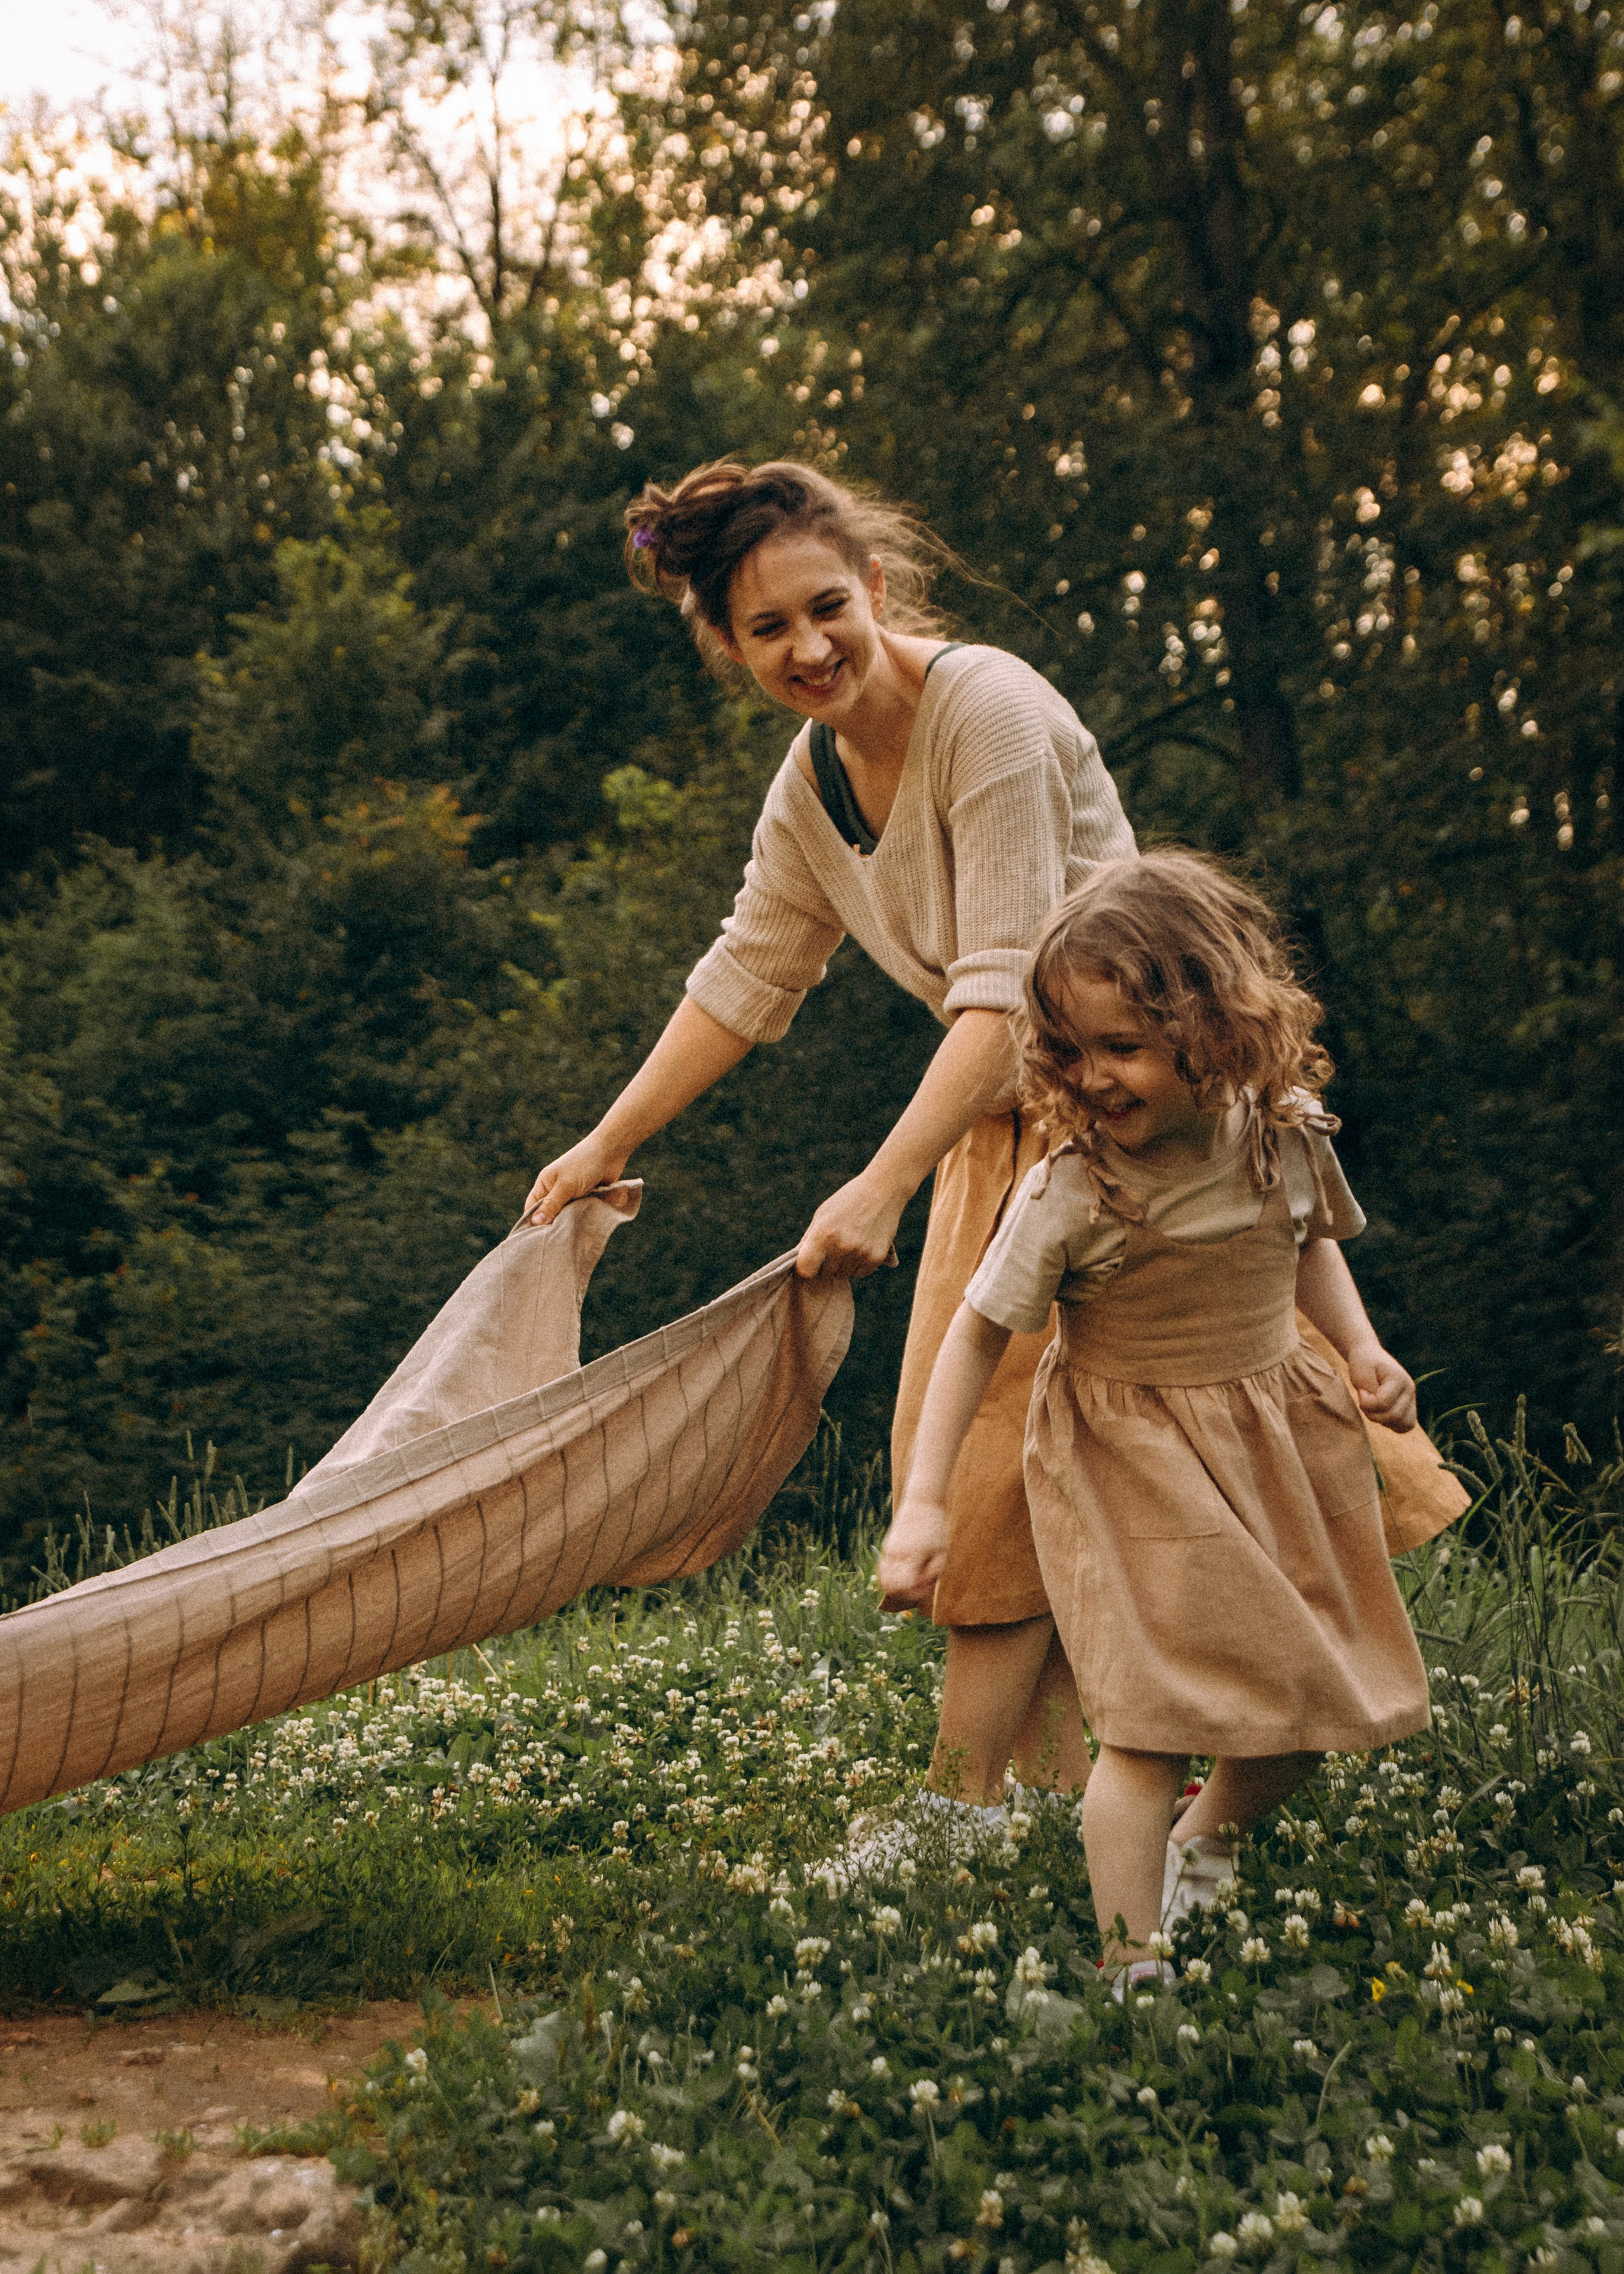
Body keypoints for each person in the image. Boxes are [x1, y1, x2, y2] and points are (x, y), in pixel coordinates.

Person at [524, 456, 1138, 1841]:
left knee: (1005, 1466)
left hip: (1129, 1131)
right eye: (764, 630)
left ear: (873, 584)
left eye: (825, 608)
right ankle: (1029, 1812)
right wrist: (603, 1139)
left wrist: (879, 1180)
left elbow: (1005, 991)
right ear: (723, 645)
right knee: (1013, 1469)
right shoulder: (809, 786)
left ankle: (962, 1808)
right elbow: (745, 976)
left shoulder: (982, 711)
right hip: (1008, 1129)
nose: (807, 648)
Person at [875, 851, 1432, 1990]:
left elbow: (1311, 1240)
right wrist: (926, 1503)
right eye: (1065, 1051)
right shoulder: (1074, 1190)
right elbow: (976, 1337)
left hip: (1278, 1443)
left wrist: (1365, 1350)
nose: (1090, 1078)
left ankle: (1202, 1844)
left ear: (1219, 1030)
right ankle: (1134, 1972)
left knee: (1306, 1704)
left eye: (1119, 1047)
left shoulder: (1283, 1133)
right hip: (1129, 1467)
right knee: (1146, 1727)